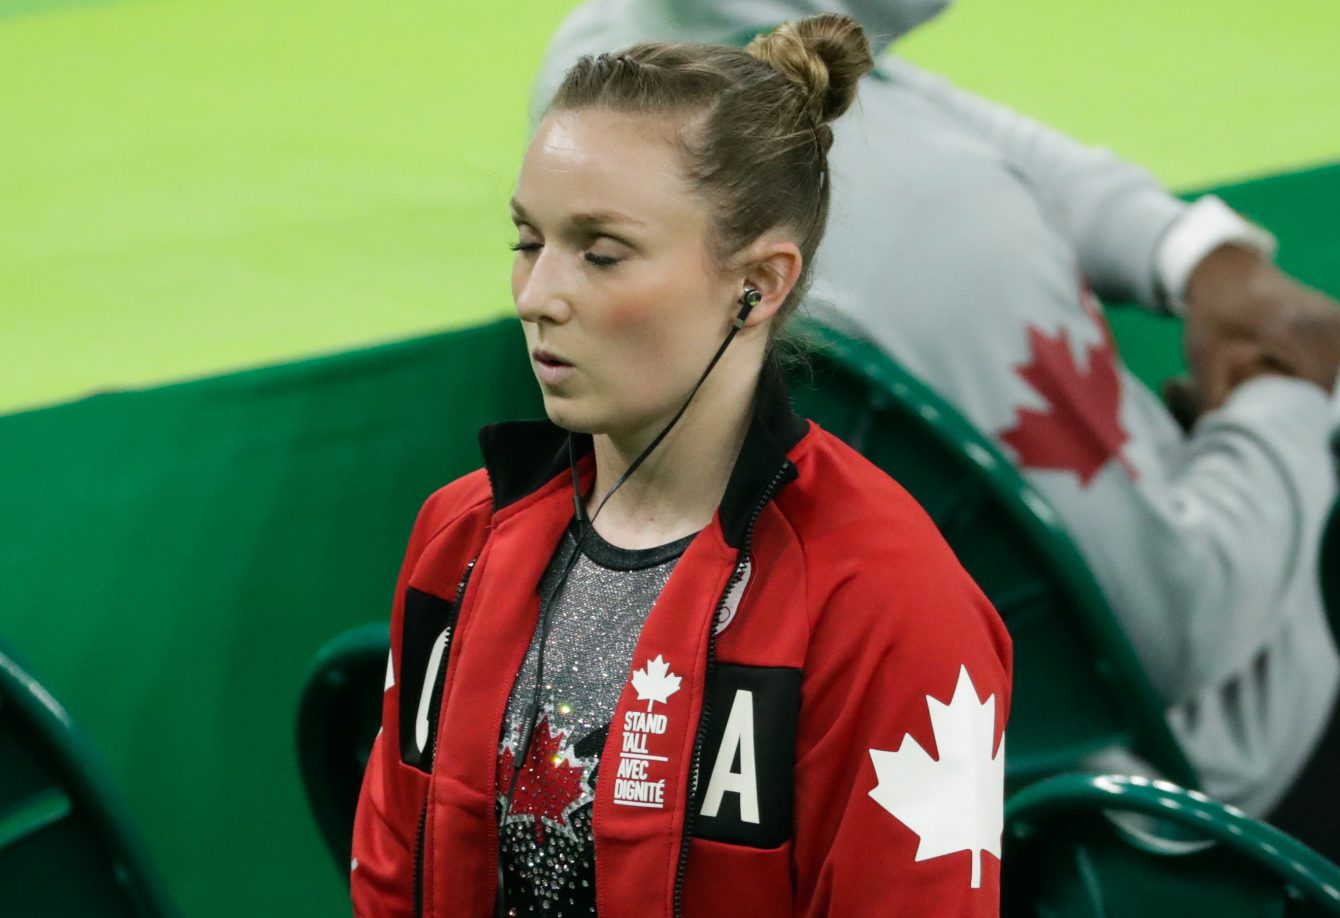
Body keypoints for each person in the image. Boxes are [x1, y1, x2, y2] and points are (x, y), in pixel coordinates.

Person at [530, 0, 1340, 849]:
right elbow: (1175, 627)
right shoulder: (942, 245)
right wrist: (1280, 403)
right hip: (1181, 788)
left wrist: (1192, 251)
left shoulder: (614, 72)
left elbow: (931, 111)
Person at [351, 14, 1011, 917]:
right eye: (527, 242)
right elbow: (392, 883)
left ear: (760, 283)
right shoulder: (461, 536)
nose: (539, 297)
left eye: (602, 253)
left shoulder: (888, 604)